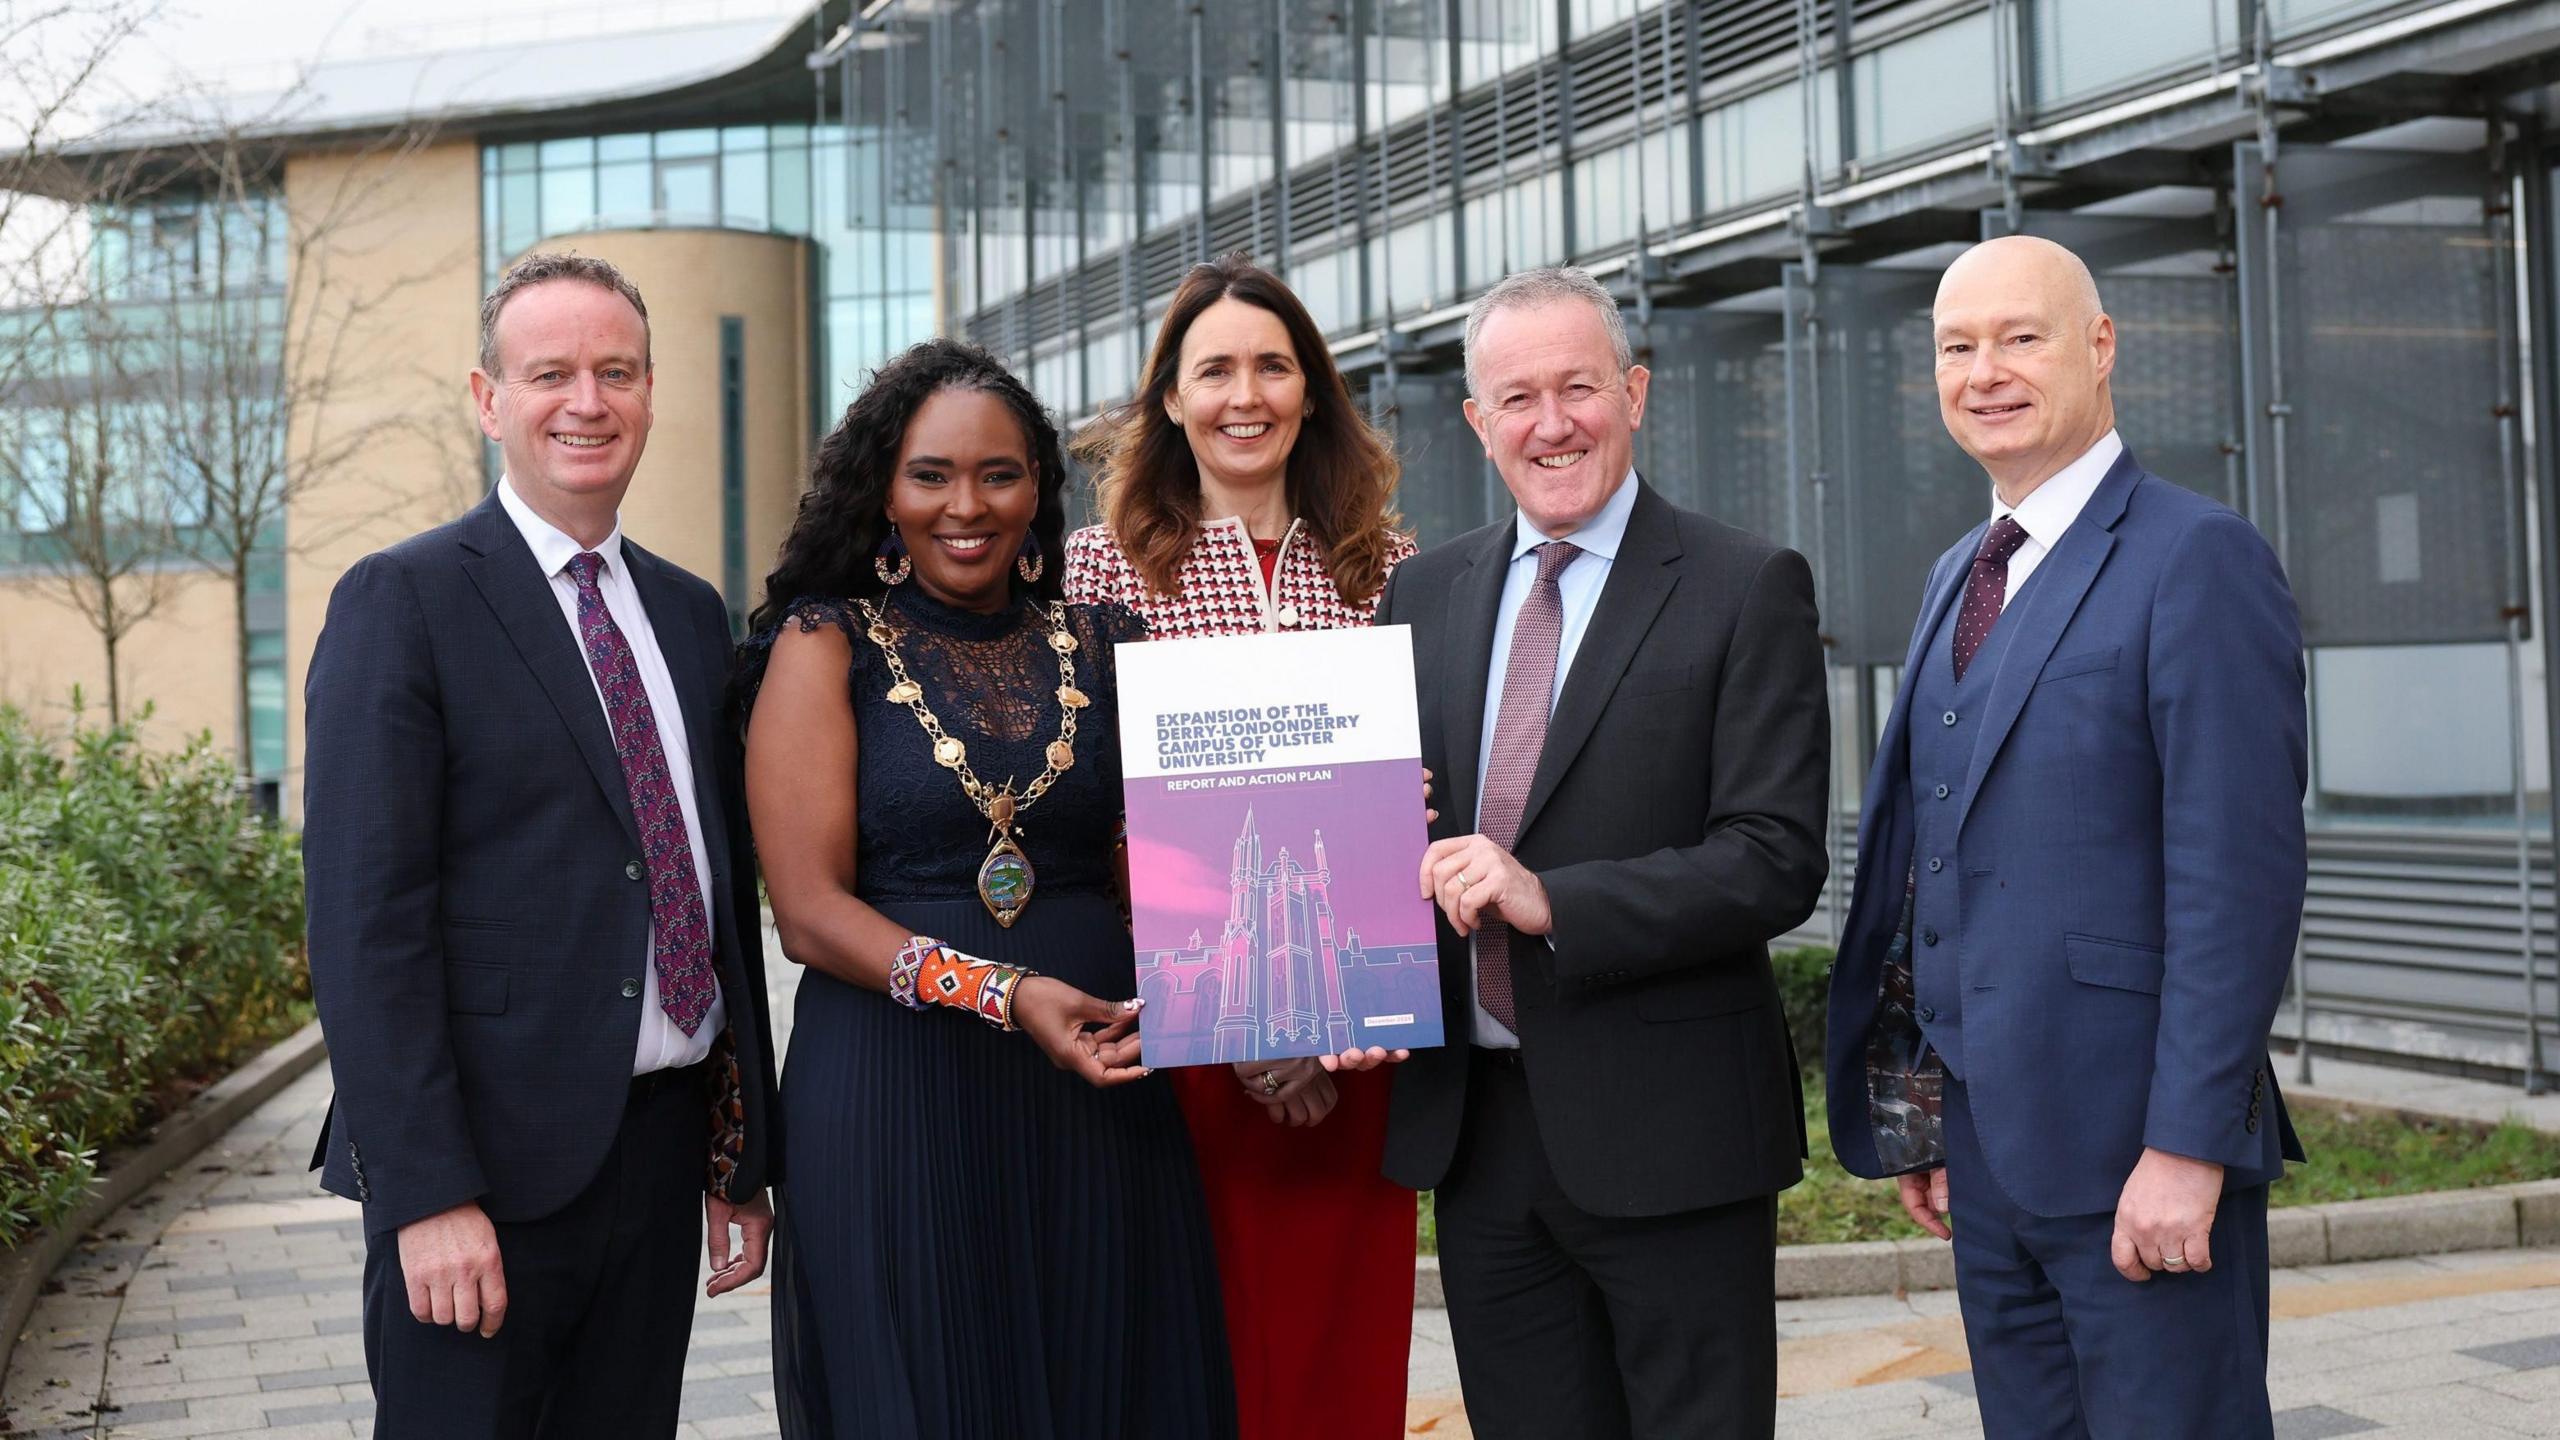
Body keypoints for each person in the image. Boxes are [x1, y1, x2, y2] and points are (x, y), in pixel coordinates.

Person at [1823, 235, 2307, 1439]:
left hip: (2137, 1152)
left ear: (2099, 348)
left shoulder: (2196, 557)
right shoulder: (1956, 573)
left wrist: (2188, 1149)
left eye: (2019, 336)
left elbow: (2234, 883)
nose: (1983, 370)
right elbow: (1935, 865)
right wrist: (1925, 1111)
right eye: (1954, 346)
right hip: (1987, 1157)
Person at [302, 251, 781, 1437]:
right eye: (550, 373)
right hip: (486, 1181)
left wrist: (739, 1148)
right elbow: (367, 927)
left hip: (658, 1154)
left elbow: (713, 891)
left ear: (653, 392)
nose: (587, 401)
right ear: (487, 400)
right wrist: (427, 1198)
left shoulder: (685, 611)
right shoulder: (400, 600)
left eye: (615, 372)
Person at [736, 337, 1234, 1438]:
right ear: (884, 492)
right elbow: (808, 916)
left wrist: (1331, 882)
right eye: (931, 475)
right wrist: (1006, 995)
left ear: (1038, 490)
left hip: (1103, 1086)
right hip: (893, 1091)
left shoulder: (1109, 643)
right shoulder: (826, 645)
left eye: (998, 474)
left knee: (1117, 1383)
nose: (966, 505)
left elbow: (1172, 869)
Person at [1376, 265, 1829, 1438]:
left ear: (1633, 393)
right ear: (1478, 423)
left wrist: (1552, 900)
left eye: (1578, 387)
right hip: (1479, 1136)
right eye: (1516, 398)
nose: (1552, 422)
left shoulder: (1744, 585)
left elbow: (1775, 856)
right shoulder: (1418, 598)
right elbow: (1386, 846)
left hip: (1671, 1134)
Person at [1064, 253, 1418, 1440]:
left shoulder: (1392, 570)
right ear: (1169, 395)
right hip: (1175, 1029)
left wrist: (1320, 1029)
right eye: (1213, 368)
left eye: (1272, 365)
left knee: (1338, 1343)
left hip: (1359, 1047)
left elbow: (1421, 800)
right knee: (1192, 1348)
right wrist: (1253, 1031)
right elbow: (1084, 806)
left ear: (1311, 389)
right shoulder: (1096, 575)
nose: (1244, 394)